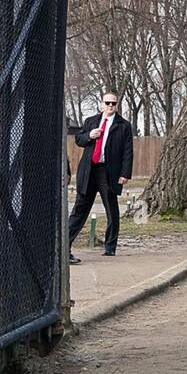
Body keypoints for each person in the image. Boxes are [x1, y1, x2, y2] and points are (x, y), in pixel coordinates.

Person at [67, 92, 134, 260]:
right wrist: (89, 135)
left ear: (117, 105)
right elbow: (79, 139)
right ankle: (65, 246)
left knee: (111, 209)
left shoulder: (123, 125)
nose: (110, 106)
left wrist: (125, 173)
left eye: (113, 103)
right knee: (79, 209)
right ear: (102, 104)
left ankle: (110, 246)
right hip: (90, 170)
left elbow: (128, 151)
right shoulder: (91, 121)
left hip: (108, 172)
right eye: (107, 103)